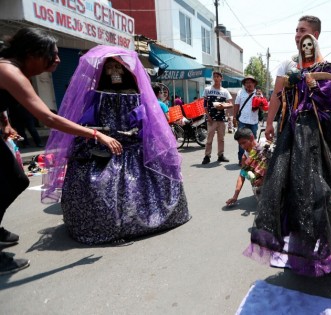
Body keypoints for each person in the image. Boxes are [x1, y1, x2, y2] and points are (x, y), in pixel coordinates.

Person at [0, 28, 122, 274]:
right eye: (51, 54)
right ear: (30, 53)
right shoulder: (10, 71)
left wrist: (5, 124)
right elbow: (47, 117)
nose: (57, 60)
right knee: (14, 180)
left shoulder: (12, 69)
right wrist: (97, 134)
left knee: (15, 180)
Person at [42, 46, 190, 244]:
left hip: (131, 144)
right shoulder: (96, 95)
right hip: (104, 145)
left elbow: (146, 121)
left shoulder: (135, 95)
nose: (114, 72)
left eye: (117, 68)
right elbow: (87, 119)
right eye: (109, 68)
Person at [244, 34, 331, 277]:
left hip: (315, 134)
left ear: (316, 45)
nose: (307, 48)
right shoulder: (292, 70)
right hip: (292, 133)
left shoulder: (327, 68)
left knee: (316, 191)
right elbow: (282, 99)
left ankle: (322, 251)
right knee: (288, 190)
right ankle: (295, 250)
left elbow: (329, 100)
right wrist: (294, 84)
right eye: (303, 45)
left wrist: (312, 84)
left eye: (310, 44)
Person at [265, 15, 331, 141]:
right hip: (290, 130)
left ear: (315, 36)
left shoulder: (329, 68)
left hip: (319, 132)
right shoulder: (286, 65)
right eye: (296, 30)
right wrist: (269, 124)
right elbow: (276, 97)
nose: (297, 35)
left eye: (302, 31)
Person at [225, 128, 271, 206]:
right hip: (260, 184)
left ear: (252, 138)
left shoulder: (266, 145)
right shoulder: (245, 156)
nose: (242, 146)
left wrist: (264, 178)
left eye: (244, 142)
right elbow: (242, 175)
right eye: (240, 144)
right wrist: (235, 196)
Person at [202, 71, 232, 164]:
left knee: (221, 139)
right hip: (211, 119)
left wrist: (223, 106)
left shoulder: (225, 91)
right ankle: (207, 156)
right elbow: (205, 105)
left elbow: (230, 104)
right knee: (209, 139)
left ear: (221, 78)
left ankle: (220, 155)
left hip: (221, 119)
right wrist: (208, 116)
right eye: (214, 76)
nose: (215, 78)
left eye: (218, 76)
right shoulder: (207, 89)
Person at [234, 75, 260, 165]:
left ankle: (253, 159)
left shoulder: (258, 93)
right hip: (243, 121)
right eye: (246, 82)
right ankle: (242, 160)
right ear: (244, 84)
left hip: (254, 121)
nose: (248, 84)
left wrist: (259, 104)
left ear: (254, 83)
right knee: (241, 141)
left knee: (253, 141)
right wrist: (234, 117)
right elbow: (236, 105)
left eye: (250, 82)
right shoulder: (240, 92)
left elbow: (263, 106)